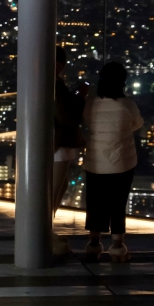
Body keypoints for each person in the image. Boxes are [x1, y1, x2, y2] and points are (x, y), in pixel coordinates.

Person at [82, 62, 143, 262]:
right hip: (121, 162)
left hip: (95, 161)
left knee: (95, 203)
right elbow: (137, 123)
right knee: (118, 203)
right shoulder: (127, 104)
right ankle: (117, 246)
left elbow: (86, 122)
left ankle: (93, 244)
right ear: (122, 82)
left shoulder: (91, 103)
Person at [53, 47, 88, 256]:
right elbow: (68, 116)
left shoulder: (51, 83)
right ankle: (44, 231)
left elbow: (65, 104)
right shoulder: (54, 83)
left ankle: (46, 229)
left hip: (55, 141)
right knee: (54, 187)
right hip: (58, 141)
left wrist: (76, 93)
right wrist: (81, 96)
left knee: (61, 184)